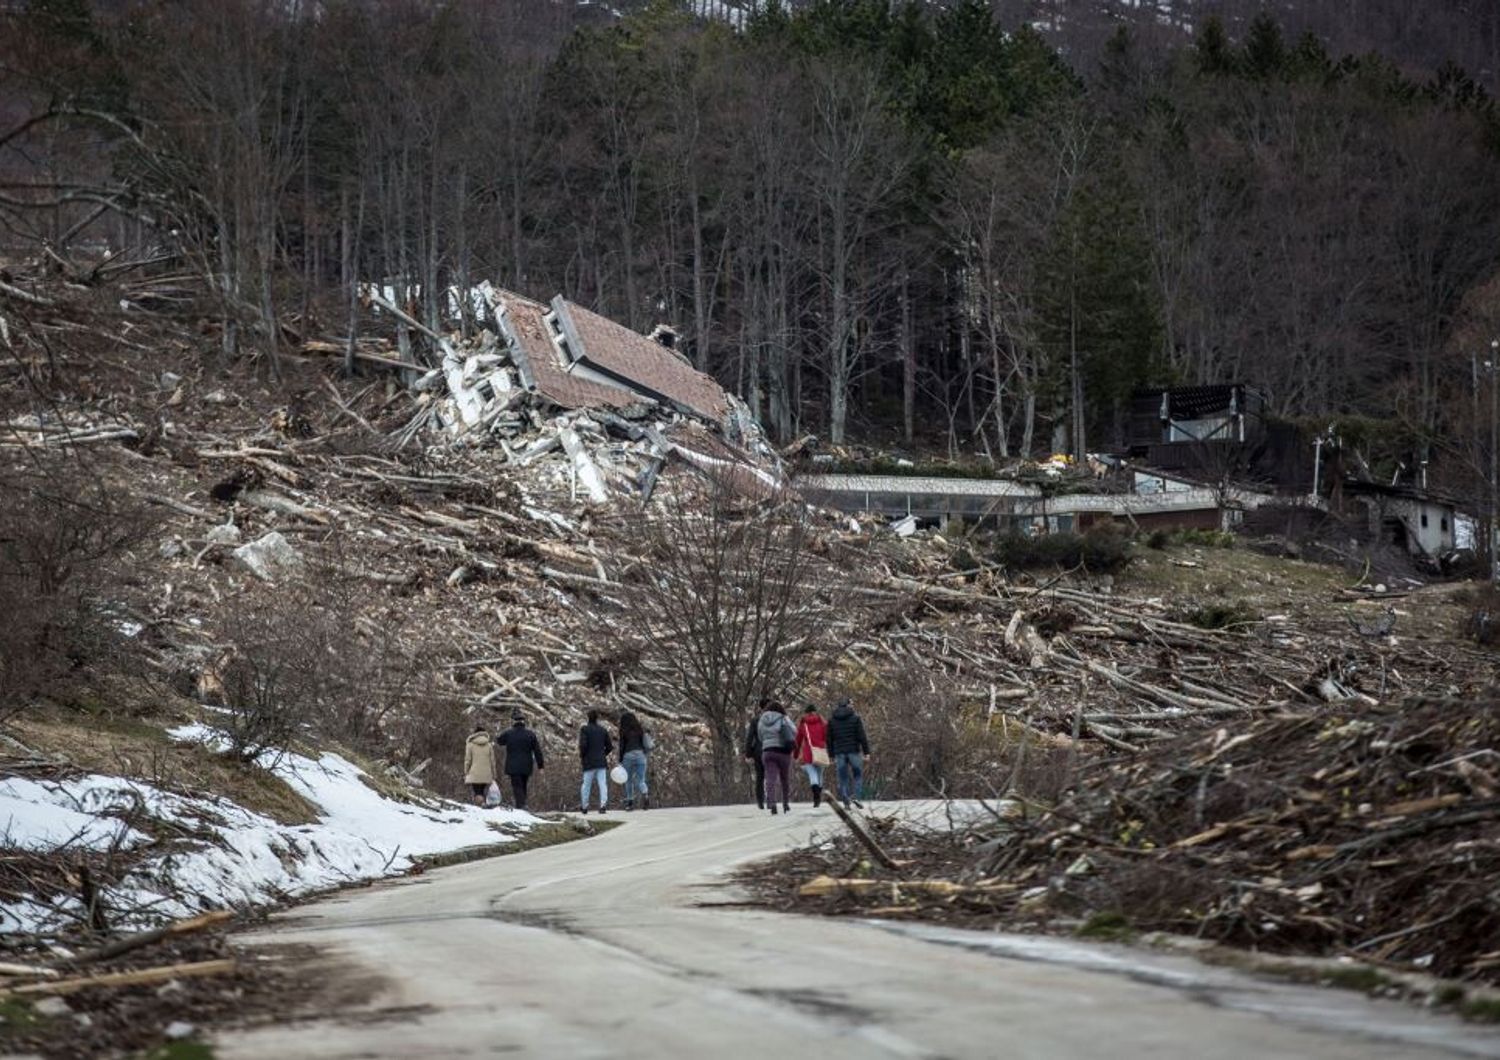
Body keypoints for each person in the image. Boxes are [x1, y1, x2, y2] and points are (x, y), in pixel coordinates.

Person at [827, 696, 871, 808]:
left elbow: (829, 739)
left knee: (842, 777)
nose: (853, 705)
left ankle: (845, 799)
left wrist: (831, 755)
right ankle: (857, 798)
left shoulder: (832, 720)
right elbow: (862, 736)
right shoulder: (855, 718)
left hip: (840, 752)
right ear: (847, 705)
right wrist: (866, 752)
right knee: (857, 775)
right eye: (851, 703)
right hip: (853, 751)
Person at [756, 700, 797, 815]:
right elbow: (794, 731)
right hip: (783, 751)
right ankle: (785, 803)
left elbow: (759, 735)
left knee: (770, 778)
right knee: (784, 778)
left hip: (768, 751)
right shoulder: (784, 718)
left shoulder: (762, 719)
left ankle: (771, 803)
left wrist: (767, 741)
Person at [496, 713, 544, 811]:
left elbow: (500, 741)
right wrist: (541, 766)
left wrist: (498, 732)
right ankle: (522, 805)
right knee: (523, 785)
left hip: (513, 765)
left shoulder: (509, 733)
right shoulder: (530, 734)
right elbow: (537, 751)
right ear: (523, 722)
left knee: (517, 786)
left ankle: (521, 806)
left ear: (513, 722)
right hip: (526, 765)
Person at [578, 709, 614, 814]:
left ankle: (584, 806)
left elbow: (583, 745)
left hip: (589, 761)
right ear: (597, 718)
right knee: (602, 784)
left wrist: (582, 755)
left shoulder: (584, 729)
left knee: (586, 785)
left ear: (588, 718)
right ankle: (603, 805)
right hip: (601, 761)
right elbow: (610, 746)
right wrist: (603, 754)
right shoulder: (603, 730)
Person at [793, 703, 829, 808]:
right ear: (815, 712)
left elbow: (798, 740)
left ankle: (816, 797)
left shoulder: (803, 724)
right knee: (819, 775)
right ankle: (819, 795)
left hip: (809, 753)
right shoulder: (823, 723)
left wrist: (795, 754)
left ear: (806, 713)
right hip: (820, 752)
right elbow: (828, 737)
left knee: (812, 775)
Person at [618, 710, 651, 811]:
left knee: (628, 780)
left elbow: (622, 747)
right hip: (640, 756)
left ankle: (630, 803)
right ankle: (645, 795)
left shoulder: (624, 731)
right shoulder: (640, 730)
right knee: (641, 779)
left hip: (628, 756)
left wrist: (620, 760)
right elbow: (646, 744)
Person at [463, 724, 497, 807]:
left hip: (474, 772)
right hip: (486, 772)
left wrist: (466, 771)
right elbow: (492, 761)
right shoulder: (489, 745)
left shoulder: (470, 745)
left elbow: (468, 760)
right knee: (481, 790)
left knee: (477, 791)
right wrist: (494, 773)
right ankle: (483, 804)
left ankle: (481, 805)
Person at [743, 706, 766, 809]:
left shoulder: (755, 721)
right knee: (771, 776)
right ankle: (771, 800)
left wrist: (748, 753)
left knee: (760, 777)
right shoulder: (777, 720)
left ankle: (760, 801)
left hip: (758, 752)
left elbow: (750, 738)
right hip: (771, 750)